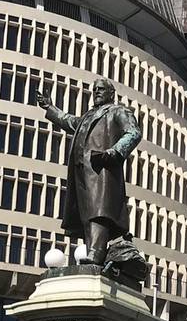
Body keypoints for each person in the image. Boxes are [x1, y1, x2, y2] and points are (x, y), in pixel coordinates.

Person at [33, 77, 147, 285]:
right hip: (82, 173)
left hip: (101, 170)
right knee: (87, 214)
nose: (96, 92)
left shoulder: (117, 111)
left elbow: (134, 133)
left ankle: (95, 254)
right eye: (94, 89)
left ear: (111, 94)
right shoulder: (87, 116)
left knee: (98, 212)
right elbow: (68, 121)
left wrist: (114, 152)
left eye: (101, 89)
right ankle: (96, 252)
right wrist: (50, 107)